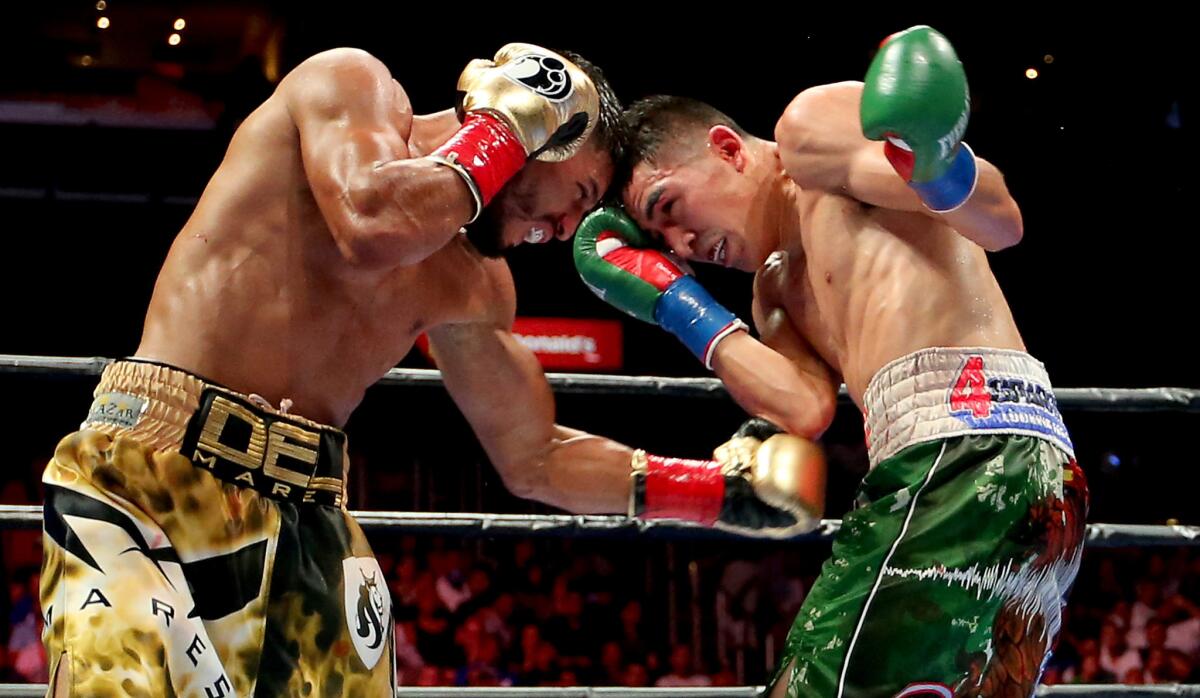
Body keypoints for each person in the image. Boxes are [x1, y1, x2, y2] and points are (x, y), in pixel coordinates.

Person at [40, 42, 815, 697]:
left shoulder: (477, 284)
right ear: (543, 121)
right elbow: (371, 223)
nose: (565, 229)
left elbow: (533, 456)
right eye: (578, 193)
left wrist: (719, 494)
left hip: (308, 519)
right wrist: (506, 126)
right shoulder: (347, 85)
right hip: (151, 469)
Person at [576, 26, 1088, 696]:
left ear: (726, 149)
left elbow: (998, 219)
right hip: (1028, 479)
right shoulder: (774, 295)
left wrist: (934, 158)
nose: (682, 243)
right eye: (663, 243)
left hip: (960, 454)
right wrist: (677, 302)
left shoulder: (809, 140)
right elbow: (803, 409)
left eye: (669, 207)